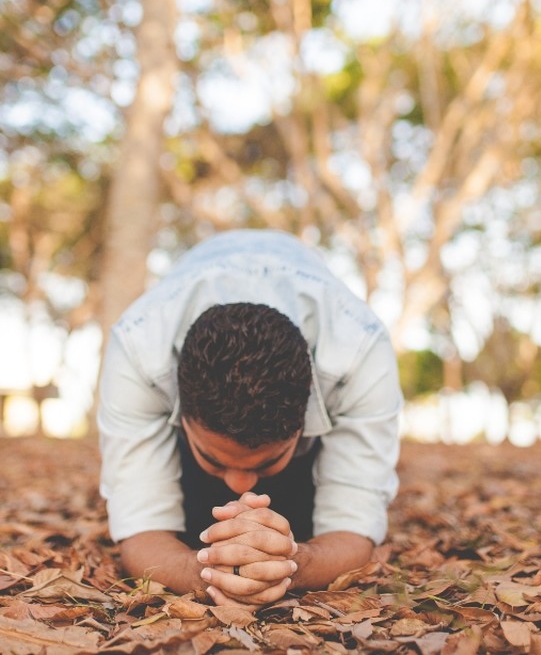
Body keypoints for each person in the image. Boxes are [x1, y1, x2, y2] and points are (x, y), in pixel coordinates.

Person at [97, 229, 402, 607]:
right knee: (198, 521)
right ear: (182, 413)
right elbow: (141, 528)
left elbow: (354, 527)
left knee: (298, 516)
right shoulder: (139, 347)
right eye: (214, 457)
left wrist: (292, 564)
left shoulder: (359, 349)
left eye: (269, 459)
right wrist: (203, 571)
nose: (240, 484)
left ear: (303, 420)